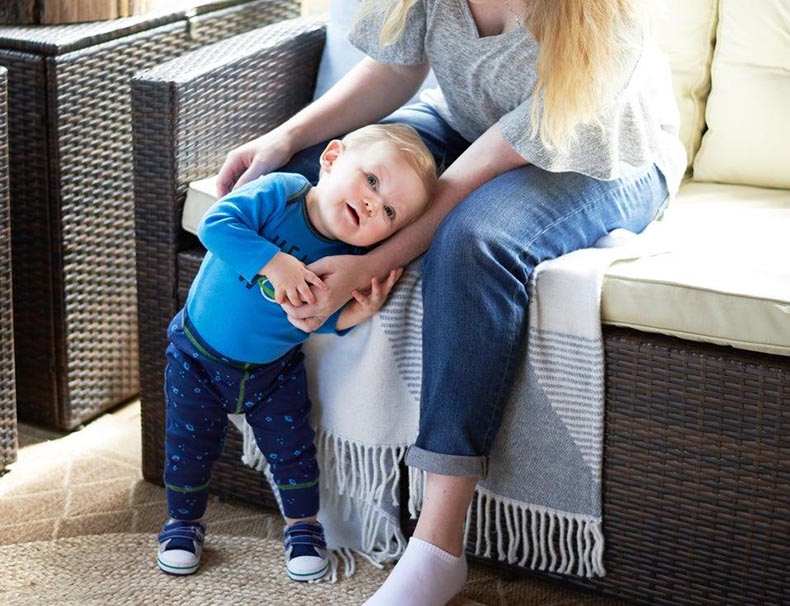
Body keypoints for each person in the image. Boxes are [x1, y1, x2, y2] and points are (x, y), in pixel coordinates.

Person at [215, 0, 686, 604]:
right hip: (471, 119)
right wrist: (283, 139)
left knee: (471, 241)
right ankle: (230, 390)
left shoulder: (601, 18)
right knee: (312, 177)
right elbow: (394, 70)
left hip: (607, 156)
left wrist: (366, 265)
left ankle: (437, 549)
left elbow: (463, 185)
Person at [157, 123, 436, 582]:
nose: (371, 203)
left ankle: (304, 529)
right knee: (188, 446)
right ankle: (182, 524)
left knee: (294, 453)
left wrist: (355, 313)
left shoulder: (344, 257)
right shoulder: (283, 193)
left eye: (388, 211)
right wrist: (276, 263)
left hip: (273, 373)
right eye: (371, 180)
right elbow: (216, 224)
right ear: (331, 159)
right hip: (198, 356)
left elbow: (314, 318)